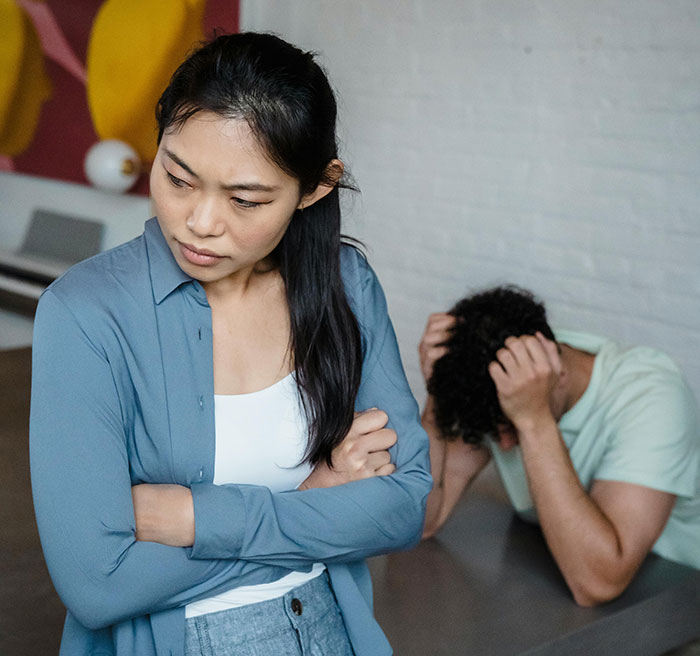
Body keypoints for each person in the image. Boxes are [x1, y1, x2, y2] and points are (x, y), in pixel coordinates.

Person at [30, 33, 431, 656]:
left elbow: (404, 506)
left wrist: (197, 519)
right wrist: (315, 504)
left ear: (318, 187)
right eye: (178, 177)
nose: (201, 221)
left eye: (246, 200)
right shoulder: (85, 314)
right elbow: (97, 584)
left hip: (330, 631)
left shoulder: (347, 285)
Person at [419, 285, 700, 606]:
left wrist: (533, 420)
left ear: (558, 374)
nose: (507, 446)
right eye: (497, 435)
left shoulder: (653, 397)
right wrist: (435, 401)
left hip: (681, 600)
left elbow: (597, 584)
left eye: (511, 428)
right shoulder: (494, 370)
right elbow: (422, 521)